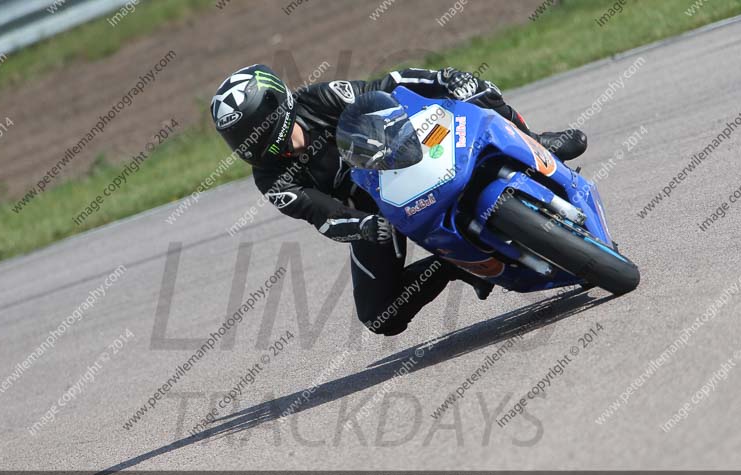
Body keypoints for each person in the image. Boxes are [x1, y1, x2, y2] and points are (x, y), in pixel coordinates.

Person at [210, 64, 587, 336]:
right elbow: (322, 215)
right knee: (379, 316)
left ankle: (537, 143)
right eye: (238, 137)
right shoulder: (270, 179)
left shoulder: (320, 98)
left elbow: (387, 86)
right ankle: (456, 264)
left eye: (251, 127)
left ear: (275, 104)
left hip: (402, 159)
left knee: (476, 91)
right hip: (373, 214)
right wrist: (364, 226)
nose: (248, 143)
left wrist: (441, 80)